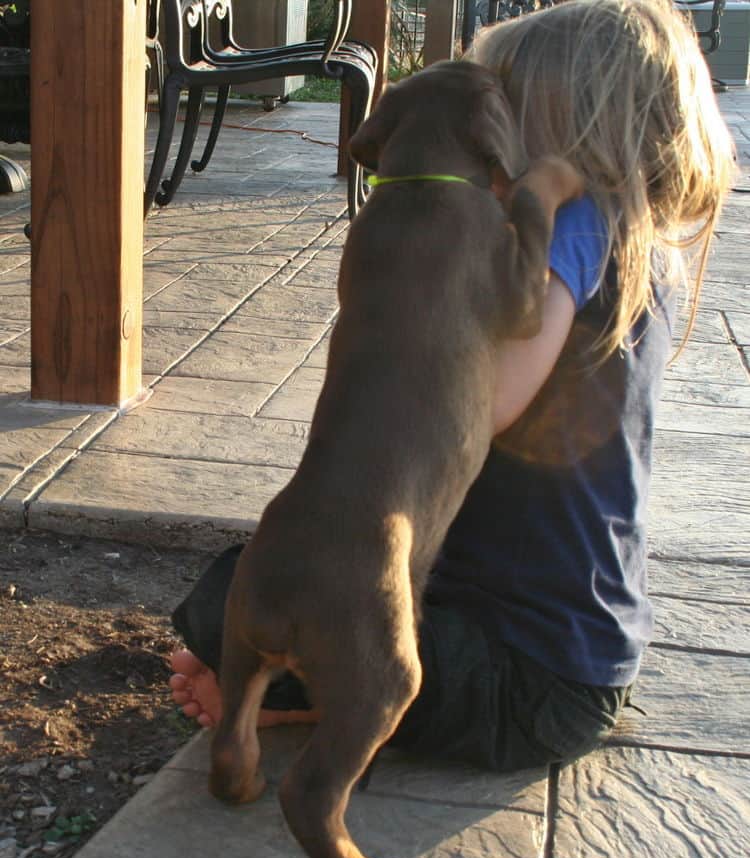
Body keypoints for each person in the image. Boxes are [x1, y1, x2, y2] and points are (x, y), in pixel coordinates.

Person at [169, 0, 735, 771]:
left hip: (529, 679)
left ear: (557, 133)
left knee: (240, 596)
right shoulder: (620, 236)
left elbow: (482, 402)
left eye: (496, 112)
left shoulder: (574, 220)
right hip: (521, 639)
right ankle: (305, 687)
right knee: (278, 582)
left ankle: (305, 696)